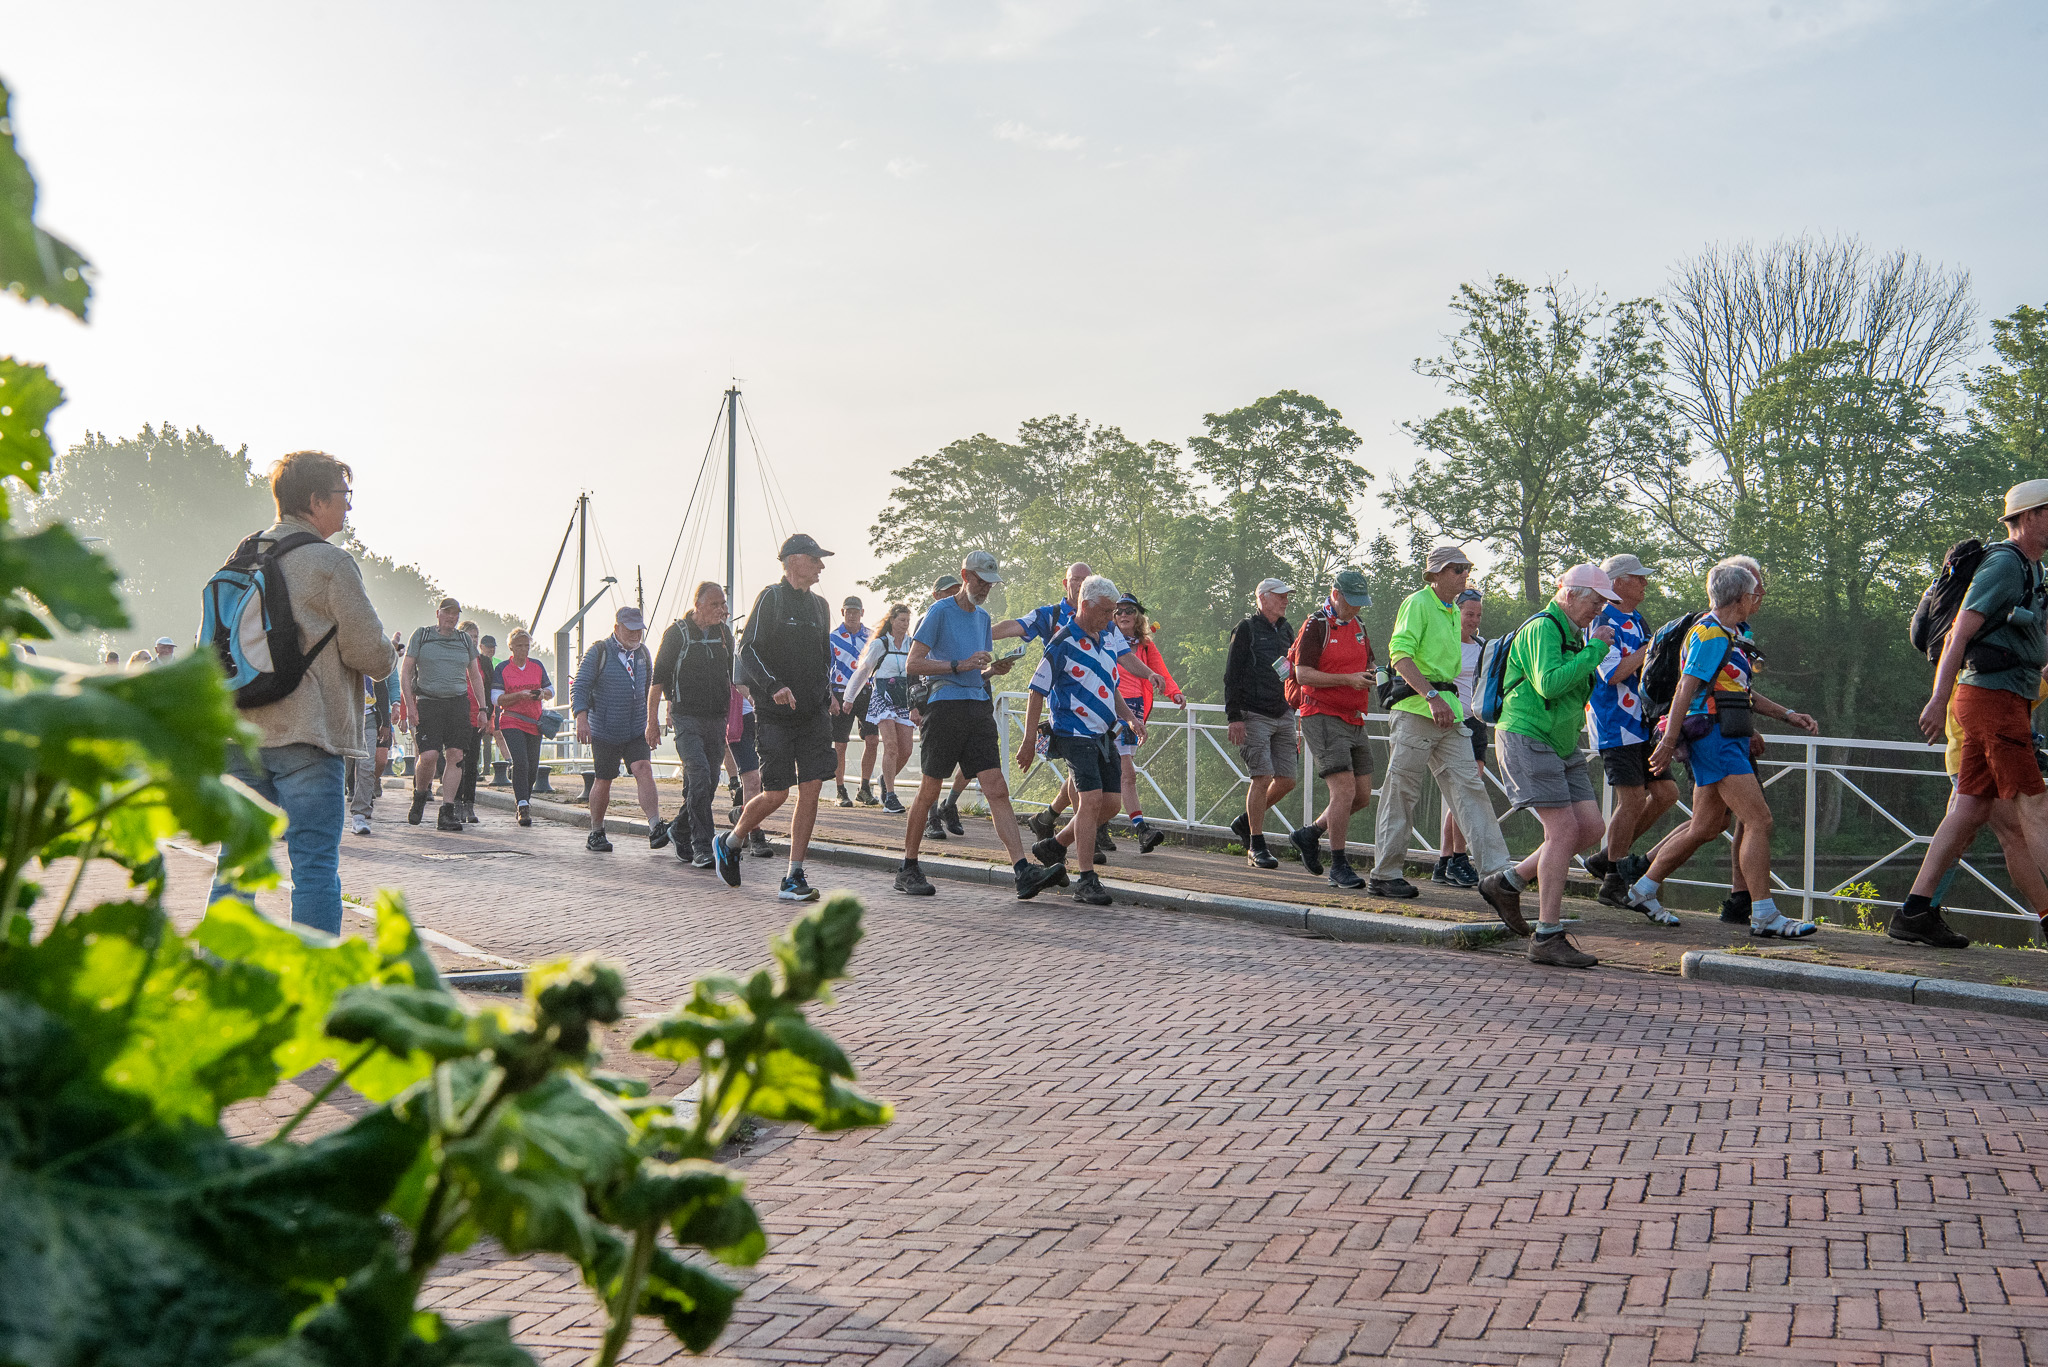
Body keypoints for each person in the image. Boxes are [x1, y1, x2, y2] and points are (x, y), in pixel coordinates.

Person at [206, 450, 395, 934]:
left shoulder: (242, 555)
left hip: (239, 731)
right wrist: (389, 652)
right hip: (307, 734)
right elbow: (371, 656)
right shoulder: (331, 563)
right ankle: (315, 971)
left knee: (237, 863)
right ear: (315, 500)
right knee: (313, 866)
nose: (349, 506)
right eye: (343, 495)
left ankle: (219, 966)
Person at [1627, 557, 1822, 939]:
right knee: (1759, 821)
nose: (1758, 599)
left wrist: (1787, 715)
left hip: (1721, 736)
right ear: (1740, 597)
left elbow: (1738, 691)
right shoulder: (1711, 634)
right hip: (1715, 738)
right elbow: (1685, 688)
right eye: (1754, 593)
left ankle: (1642, 889)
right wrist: (1668, 741)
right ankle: (1764, 914)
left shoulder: (1728, 634)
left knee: (1706, 826)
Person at [1894, 480, 2048, 947]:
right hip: (1991, 699)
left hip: (2001, 698)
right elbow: (1959, 634)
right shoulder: (2005, 564)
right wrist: (1938, 699)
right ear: (2029, 516)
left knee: (1969, 807)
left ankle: (1914, 911)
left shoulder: (2033, 569)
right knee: (2034, 804)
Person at [894, 552, 1059, 899]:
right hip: (943, 708)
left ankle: (1022, 871)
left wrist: (992, 670)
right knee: (930, 789)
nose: (985, 589)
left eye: (990, 584)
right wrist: (959, 664)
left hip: (978, 707)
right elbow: (913, 664)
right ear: (965, 576)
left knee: (996, 788)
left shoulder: (983, 618)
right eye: (981, 581)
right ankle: (908, 867)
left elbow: (975, 670)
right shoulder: (939, 612)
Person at [1375, 548, 1523, 919]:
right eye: (1458, 569)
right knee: (1402, 790)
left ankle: (1497, 874)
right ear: (1437, 573)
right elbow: (1400, 655)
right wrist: (1431, 696)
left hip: (1450, 713)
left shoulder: (1452, 610)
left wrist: (1448, 703)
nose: (1464, 574)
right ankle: (1385, 873)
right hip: (1417, 709)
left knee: (1470, 788)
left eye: (1467, 569)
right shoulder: (1418, 603)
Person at [1488, 565, 1621, 969]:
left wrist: (1589, 649)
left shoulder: (1573, 634)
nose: (1599, 609)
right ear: (1569, 593)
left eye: (1604, 603)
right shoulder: (1543, 628)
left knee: (1591, 828)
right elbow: (1549, 683)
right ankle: (1546, 935)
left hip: (1562, 744)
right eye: (1595, 600)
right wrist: (1595, 650)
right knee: (1562, 832)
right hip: (1528, 736)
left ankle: (1507, 882)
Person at [1010, 561, 1159, 860]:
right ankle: (1087, 872)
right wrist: (1028, 740)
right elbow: (1036, 690)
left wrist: (1130, 718)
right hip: (1073, 731)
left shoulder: (1107, 637)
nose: (1111, 617)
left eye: (1114, 612)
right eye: (1106, 611)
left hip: (1104, 732)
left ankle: (1056, 844)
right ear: (1087, 605)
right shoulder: (1062, 642)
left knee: (1111, 804)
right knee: (1089, 801)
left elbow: (1110, 686)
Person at [717, 533, 836, 901]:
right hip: (775, 716)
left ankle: (793, 875)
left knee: (812, 788)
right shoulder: (771, 598)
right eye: (815, 559)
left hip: (813, 715)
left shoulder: (821, 606)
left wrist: (826, 693)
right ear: (794, 561)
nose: (821, 566)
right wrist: (773, 687)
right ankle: (732, 841)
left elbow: (824, 657)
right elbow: (747, 650)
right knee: (777, 793)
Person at [1582, 553, 1679, 906]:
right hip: (1615, 722)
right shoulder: (1601, 619)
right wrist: (1652, 648)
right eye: (1638, 577)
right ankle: (1613, 878)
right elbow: (1613, 673)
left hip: (1644, 723)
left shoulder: (1638, 620)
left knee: (1667, 794)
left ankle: (1607, 858)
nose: (1645, 583)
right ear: (1618, 582)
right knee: (1633, 798)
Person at [1288, 569, 1381, 890]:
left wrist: (1375, 673)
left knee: (1362, 796)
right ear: (1336, 594)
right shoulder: (1316, 625)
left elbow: (1368, 662)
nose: (1356, 607)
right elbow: (1302, 674)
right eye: (1352, 601)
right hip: (1321, 714)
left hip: (1354, 716)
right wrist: (1348, 679)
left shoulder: (1358, 625)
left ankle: (1310, 834)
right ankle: (1338, 866)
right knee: (1343, 791)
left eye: (1361, 602)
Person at [652, 582, 738, 868]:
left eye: (723, 604)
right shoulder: (676, 634)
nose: (721, 610)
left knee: (709, 783)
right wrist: (652, 722)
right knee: (699, 776)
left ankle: (679, 830)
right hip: (686, 717)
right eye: (715, 605)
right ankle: (703, 846)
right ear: (698, 605)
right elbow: (657, 681)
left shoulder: (724, 634)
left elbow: (733, 675)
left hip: (716, 718)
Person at [571, 605, 668, 853]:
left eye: (639, 630)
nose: (635, 634)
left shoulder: (643, 653)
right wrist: (581, 718)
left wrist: (652, 722)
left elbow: (650, 690)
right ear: (617, 628)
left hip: (635, 727)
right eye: (630, 629)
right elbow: (580, 686)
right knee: (604, 778)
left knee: (643, 768)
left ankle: (655, 826)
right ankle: (596, 831)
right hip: (605, 729)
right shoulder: (599, 652)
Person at [1224, 578, 1299, 870]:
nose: (1285, 601)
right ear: (1263, 598)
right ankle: (1256, 845)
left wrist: (1297, 709)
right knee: (1262, 776)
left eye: (1287, 596)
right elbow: (1231, 675)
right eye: (1280, 596)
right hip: (1253, 714)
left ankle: (1246, 821)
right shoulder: (1246, 629)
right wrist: (1234, 717)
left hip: (1284, 712)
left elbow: (1293, 671)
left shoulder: (1287, 629)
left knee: (1288, 779)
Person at [1105, 595, 1184, 855]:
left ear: (1138, 615)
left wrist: (1174, 693)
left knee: (1114, 771)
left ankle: (1078, 822)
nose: (1123, 615)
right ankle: (1140, 829)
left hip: (1134, 711)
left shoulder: (1145, 646)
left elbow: (1160, 671)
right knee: (1125, 772)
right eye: (1118, 611)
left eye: (1129, 610)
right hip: (1109, 708)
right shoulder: (1104, 638)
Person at [403, 598, 485, 833]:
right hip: (428, 702)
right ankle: (420, 794)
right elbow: (406, 672)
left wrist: (483, 708)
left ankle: (447, 811)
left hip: (457, 703)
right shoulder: (422, 635)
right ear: (438, 614)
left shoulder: (464, 640)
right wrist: (410, 707)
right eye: (447, 613)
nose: (451, 617)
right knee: (429, 755)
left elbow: (475, 675)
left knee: (456, 755)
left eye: (455, 614)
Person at [1431, 588, 1487, 887]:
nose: (1474, 620)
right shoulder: (1446, 642)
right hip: (1452, 722)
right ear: (1456, 613)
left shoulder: (1482, 646)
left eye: (1478, 615)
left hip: (1476, 722)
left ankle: (1445, 861)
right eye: (1469, 614)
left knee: (1462, 794)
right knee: (1464, 793)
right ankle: (1459, 859)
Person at [839, 603, 916, 815]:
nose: (905, 624)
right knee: (891, 746)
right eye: (901, 620)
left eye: (907, 621)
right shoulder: (880, 644)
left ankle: (885, 779)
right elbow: (863, 671)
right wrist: (849, 698)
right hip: (883, 696)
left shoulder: (911, 644)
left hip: (904, 698)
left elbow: (919, 669)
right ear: (892, 620)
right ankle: (890, 796)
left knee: (906, 750)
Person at [914, 572, 974, 844]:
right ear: (935, 595)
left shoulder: (970, 617)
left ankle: (949, 804)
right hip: (936, 698)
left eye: (955, 590)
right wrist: (914, 704)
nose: (953, 595)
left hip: (970, 695)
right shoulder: (929, 618)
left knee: (973, 763)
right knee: (934, 767)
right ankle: (932, 818)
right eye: (947, 592)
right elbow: (913, 664)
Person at [491, 628, 553, 827]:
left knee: (532, 766)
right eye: (519, 646)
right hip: (512, 720)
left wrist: (541, 693)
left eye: (527, 646)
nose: (524, 650)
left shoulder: (537, 666)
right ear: (511, 647)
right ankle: (523, 805)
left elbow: (550, 690)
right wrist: (519, 695)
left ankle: (525, 798)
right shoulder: (502, 668)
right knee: (521, 762)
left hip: (534, 722)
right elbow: (496, 698)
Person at [829, 596, 880, 807]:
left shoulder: (872, 636)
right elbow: (825, 669)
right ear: (842, 612)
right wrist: (831, 697)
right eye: (848, 611)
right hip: (840, 691)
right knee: (840, 744)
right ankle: (840, 790)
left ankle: (864, 788)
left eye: (855, 612)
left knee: (873, 739)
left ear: (862, 613)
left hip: (866, 692)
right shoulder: (832, 637)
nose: (852, 615)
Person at [344, 673, 390, 835]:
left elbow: (381, 687)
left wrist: (385, 722)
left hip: (368, 717)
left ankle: (360, 814)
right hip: (342, 718)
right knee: (340, 768)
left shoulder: (371, 659)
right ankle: (327, 814)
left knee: (367, 766)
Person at [454, 620, 487, 824]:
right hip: (457, 715)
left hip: (477, 716)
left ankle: (469, 804)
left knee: (472, 762)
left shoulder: (484, 662)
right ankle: (456, 802)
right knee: (457, 760)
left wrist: (488, 713)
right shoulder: (454, 657)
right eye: (469, 636)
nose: (473, 640)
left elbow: (488, 687)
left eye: (476, 637)